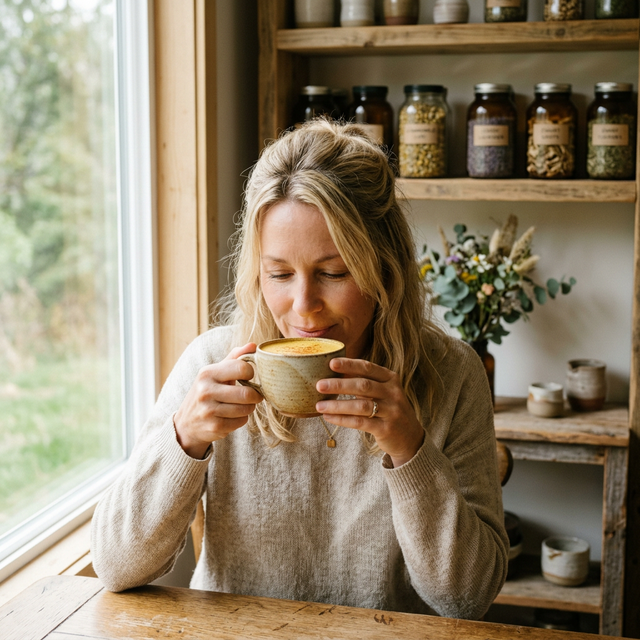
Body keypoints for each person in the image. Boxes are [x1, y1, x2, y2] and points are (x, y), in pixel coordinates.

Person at [91, 119, 509, 620]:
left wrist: (411, 450)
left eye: (334, 273)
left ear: (384, 266)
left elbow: (468, 598)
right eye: (280, 274)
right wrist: (183, 440)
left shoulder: (452, 374)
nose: (304, 306)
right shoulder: (214, 364)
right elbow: (115, 566)